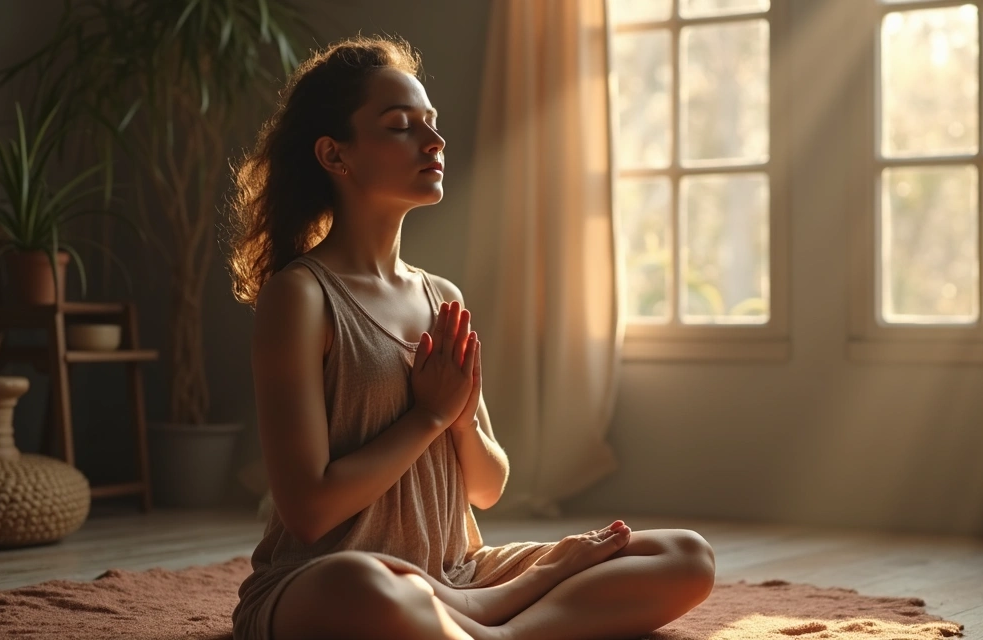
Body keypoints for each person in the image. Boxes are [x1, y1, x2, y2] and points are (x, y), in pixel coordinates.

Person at [225, 35, 715, 640]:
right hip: (329, 580)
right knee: (369, 587)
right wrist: (428, 417)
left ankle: (492, 629)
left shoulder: (442, 297)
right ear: (335, 155)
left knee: (685, 555)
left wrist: (459, 422)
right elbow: (308, 511)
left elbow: (487, 486)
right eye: (401, 125)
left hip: (460, 576)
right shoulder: (300, 297)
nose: (434, 142)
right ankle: (506, 612)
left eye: (431, 123)